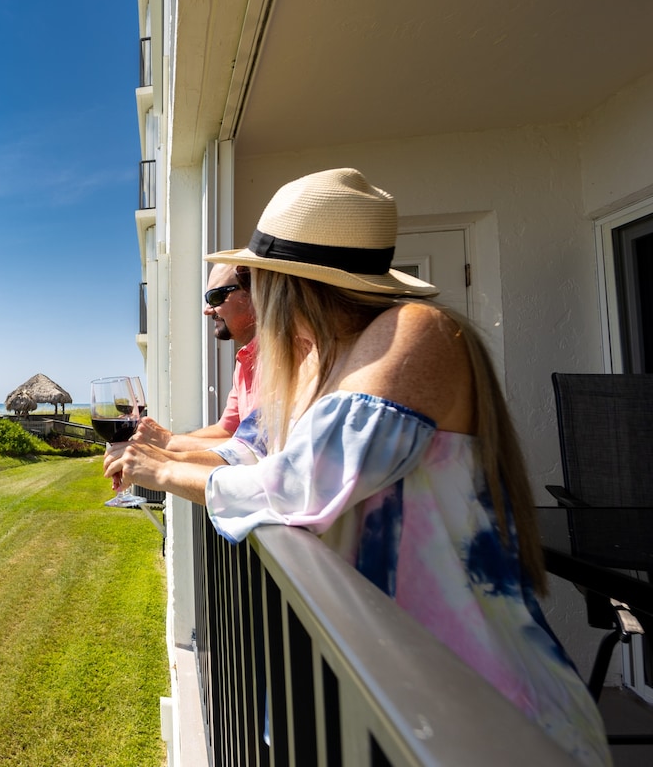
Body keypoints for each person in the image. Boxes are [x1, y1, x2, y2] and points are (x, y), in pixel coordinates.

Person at [105, 168, 610, 765]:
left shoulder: (414, 330)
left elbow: (301, 485)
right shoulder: (328, 359)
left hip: (484, 712)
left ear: (283, 281)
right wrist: (155, 453)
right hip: (394, 695)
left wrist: (162, 473)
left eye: (251, 278)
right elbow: (254, 449)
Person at [132, 263, 259, 451]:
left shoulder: (288, 358)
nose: (207, 309)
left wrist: (167, 444)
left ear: (253, 295)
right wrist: (163, 440)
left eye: (215, 297)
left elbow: (259, 447)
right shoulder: (245, 360)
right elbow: (226, 431)